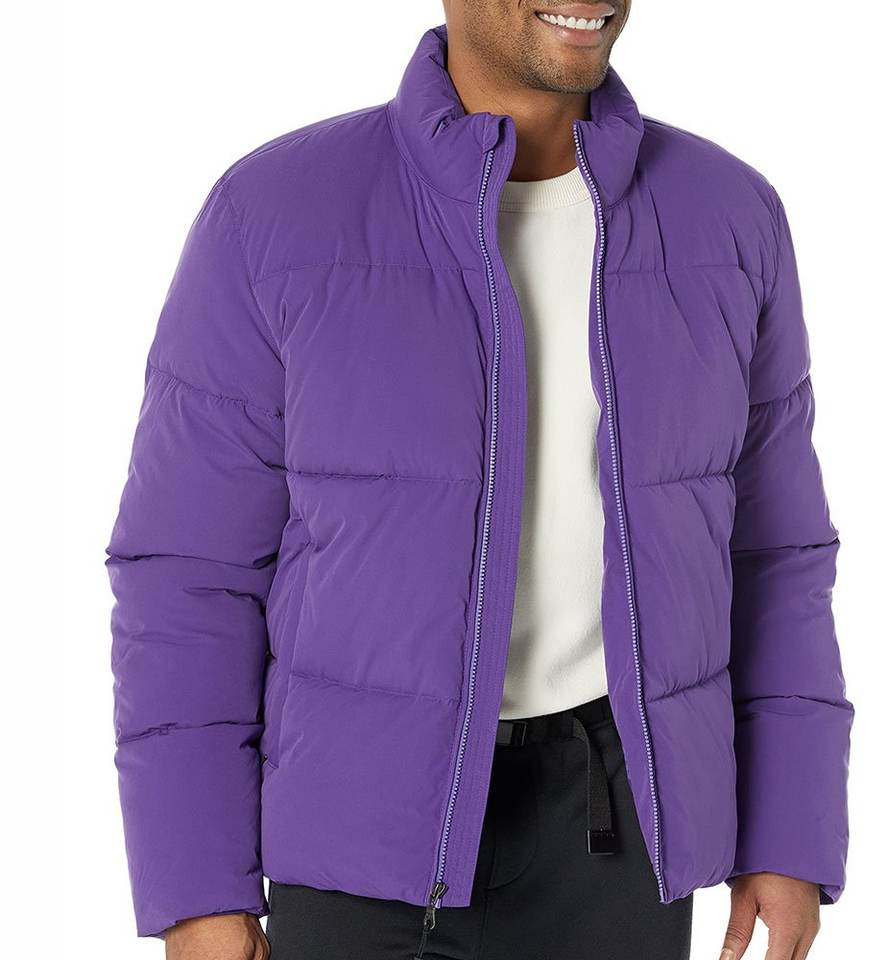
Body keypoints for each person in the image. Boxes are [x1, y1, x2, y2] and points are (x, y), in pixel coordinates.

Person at [107, 3, 853, 959]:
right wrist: (196, 892)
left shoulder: (729, 215)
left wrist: (789, 833)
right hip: (354, 839)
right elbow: (188, 572)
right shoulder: (274, 214)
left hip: (619, 836)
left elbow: (777, 555)